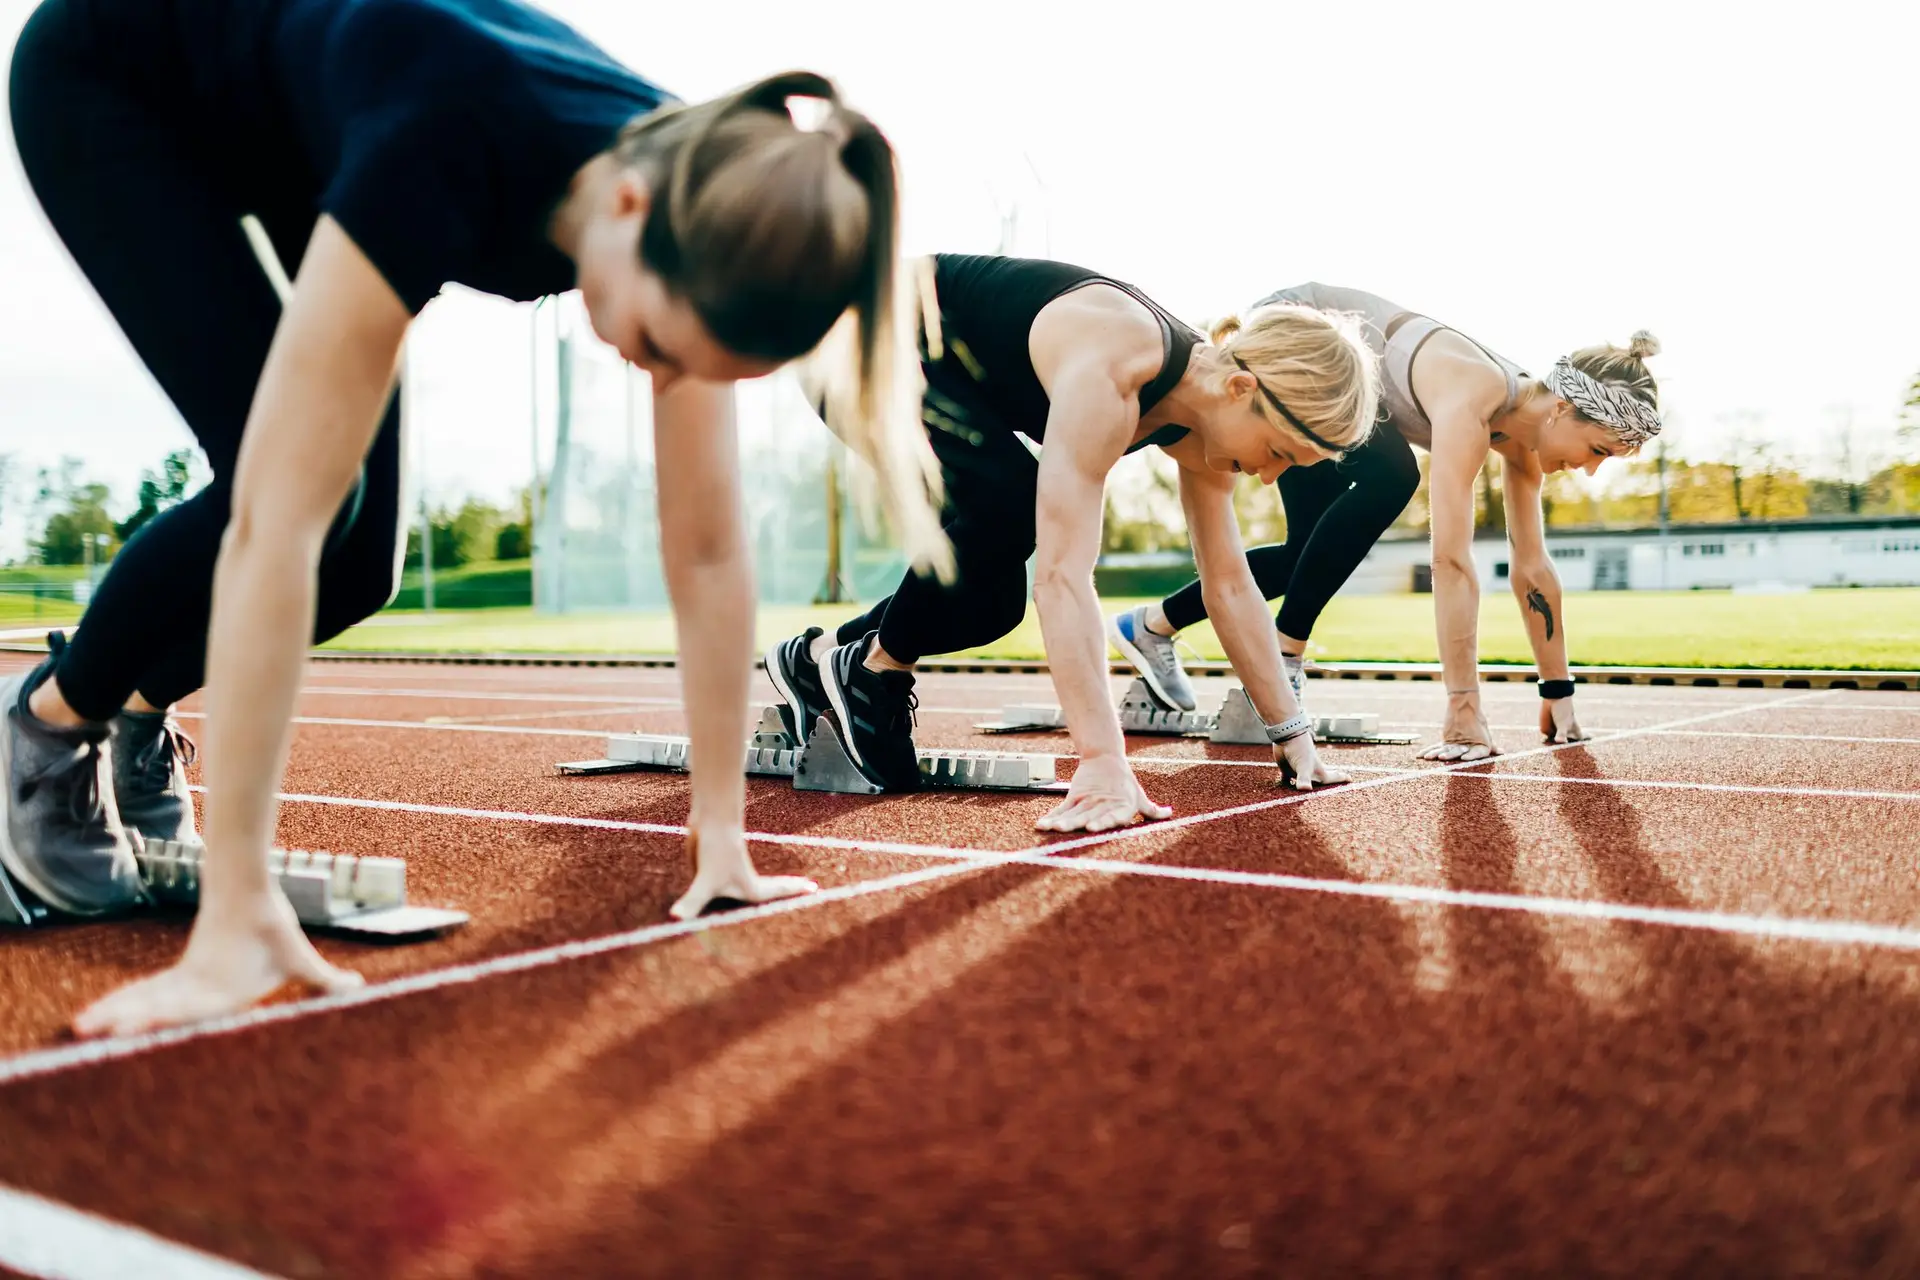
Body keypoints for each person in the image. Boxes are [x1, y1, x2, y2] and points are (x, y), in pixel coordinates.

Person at [4, 0, 945, 1038]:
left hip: (299, 125)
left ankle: (137, 712)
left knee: (363, 566)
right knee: (283, 495)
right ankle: (47, 729)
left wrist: (719, 834)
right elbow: (274, 524)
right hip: (118, 84)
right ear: (628, 205)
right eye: (655, 343)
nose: (657, 374)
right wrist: (235, 915)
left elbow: (711, 549)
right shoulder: (444, 145)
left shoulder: (703, 207)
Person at [766, 254, 1381, 833]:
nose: (1270, 477)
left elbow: (1227, 582)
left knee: (991, 607)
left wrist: (1292, 734)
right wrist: (1102, 759)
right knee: (1012, 501)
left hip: (941, 373)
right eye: (1278, 453)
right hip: (854, 340)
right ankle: (873, 673)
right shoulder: (1117, 366)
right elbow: (1062, 575)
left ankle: (821, 656)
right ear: (1242, 389)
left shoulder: (1201, 426)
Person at [1107, 282, 1662, 761]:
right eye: (1599, 451)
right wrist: (1463, 708)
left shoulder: (1523, 440)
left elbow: (1532, 566)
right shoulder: (1475, 395)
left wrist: (1557, 689)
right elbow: (1450, 558)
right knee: (1394, 475)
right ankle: (1285, 657)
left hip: (1355, 384)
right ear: (1563, 408)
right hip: (1306, 343)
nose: (1590, 471)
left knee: (1305, 558)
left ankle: (1152, 626)